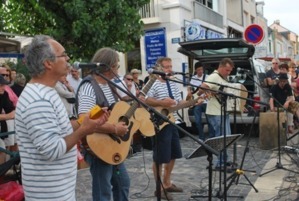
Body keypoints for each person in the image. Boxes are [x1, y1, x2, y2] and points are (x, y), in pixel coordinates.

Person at [15, 35, 108, 201]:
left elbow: (60, 130)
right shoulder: (38, 100)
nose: (68, 59)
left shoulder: (47, 91)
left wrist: (82, 122)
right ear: (48, 63)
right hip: (48, 193)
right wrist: (84, 130)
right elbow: (52, 149)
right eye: (63, 55)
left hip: (58, 189)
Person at [145, 57, 203, 200]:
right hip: (159, 123)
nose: (169, 69)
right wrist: (161, 102)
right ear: (159, 68)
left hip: (173, 121)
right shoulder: (152, 83)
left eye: (170, 66)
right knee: (159, 157)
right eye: (166, 67)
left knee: (173, 155)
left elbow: (179, 102)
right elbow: (144, 99)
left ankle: (167, 182)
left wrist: (193, 102)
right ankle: (159, 189)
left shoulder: (172, 83)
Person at [76, 47, 130, 201]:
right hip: (97, 146)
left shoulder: (110, 86)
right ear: (109, 67)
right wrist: (115, 128)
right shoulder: (89, 87)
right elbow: (85, 121)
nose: (118, 69)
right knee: (103, 191)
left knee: (123, 183)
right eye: (117, 66)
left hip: (111, 144)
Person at [200, 58, 235, 168]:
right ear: (220, 67)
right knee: (221, 138)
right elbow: (201, 88)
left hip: (223, 111)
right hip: (215, 112)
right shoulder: (214, 76)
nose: (228, 73)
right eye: (227, 70)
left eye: (230, 71)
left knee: (226, 137)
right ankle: (220, 163)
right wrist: (212, 92)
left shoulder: (222, 77)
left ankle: (224, 159)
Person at [186, 61, 213, 141]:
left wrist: (204, 97)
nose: (200, 71)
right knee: (197, 121)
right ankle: (201, 137)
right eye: (198, 70)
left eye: (201, 69)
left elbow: (210, 90)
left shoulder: (208, 77)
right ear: (195, 70)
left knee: (209, 121)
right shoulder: (193, 78)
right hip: (197, 103)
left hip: (206, 102)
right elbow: (190, 88)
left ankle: (211, 137)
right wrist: (189, 93)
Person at [0, 74, 15, 163]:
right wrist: (7, 116)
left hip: (2, 127)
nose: (4, 87)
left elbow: (11, 109)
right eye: (1, 85)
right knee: (2, 148)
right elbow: (9, 115)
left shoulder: (4, 94)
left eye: (4, 85)